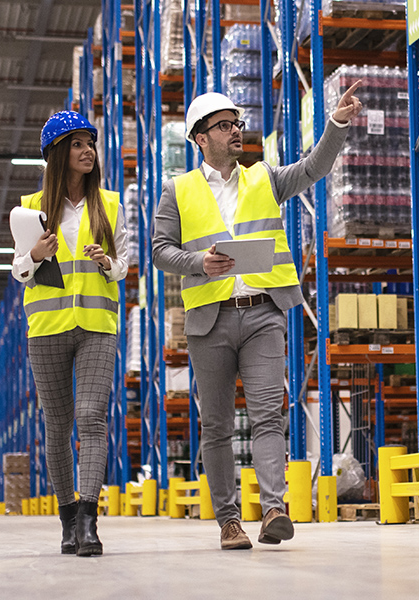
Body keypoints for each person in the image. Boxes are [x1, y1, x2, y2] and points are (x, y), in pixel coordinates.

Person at [152, 85, 365, 550]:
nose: (235, 132)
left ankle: (274, 508)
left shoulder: (263, 177)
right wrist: (197, 263)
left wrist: (337, 124)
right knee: (217, 427)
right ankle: (229, 521)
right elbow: (159, 251)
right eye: (224, 125)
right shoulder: (178, 191)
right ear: (200, 138)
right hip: (209, 321)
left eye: (237, 124)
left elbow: (313, 168)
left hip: (263, 313)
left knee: (270, 414)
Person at [10, 111, 127, 557]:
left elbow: (122, 268)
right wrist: (36, 254)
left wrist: (106, 263)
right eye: (77, 144)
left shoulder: (110, 205)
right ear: (58, 153)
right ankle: (66, 518)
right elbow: (20, 272)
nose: (87, 151)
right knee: (57, 427)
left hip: (98, 325)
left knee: (92, 416)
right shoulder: (30, 209)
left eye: (90, 144)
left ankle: (90, 522)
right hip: (47, 329)